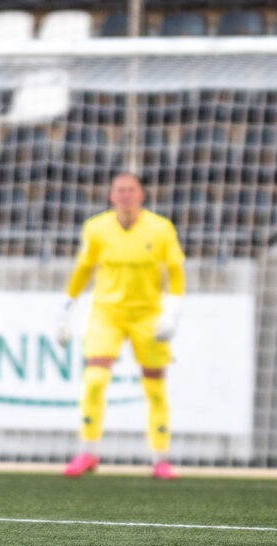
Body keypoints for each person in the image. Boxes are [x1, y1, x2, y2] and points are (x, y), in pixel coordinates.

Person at [56, 172, 186, 480]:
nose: (125, 195)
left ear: (142, 195)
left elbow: (175, 272)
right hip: (107, 312)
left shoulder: (161, 228)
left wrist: (173, 309)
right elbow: (84, 269)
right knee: (95, 380)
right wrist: (66, 306)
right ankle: (88, 452)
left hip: (147, 315)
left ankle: (160, 459)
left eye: (131, 189)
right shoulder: (96, 228)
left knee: (154, 388)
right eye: (120, 190)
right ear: (111, 196)